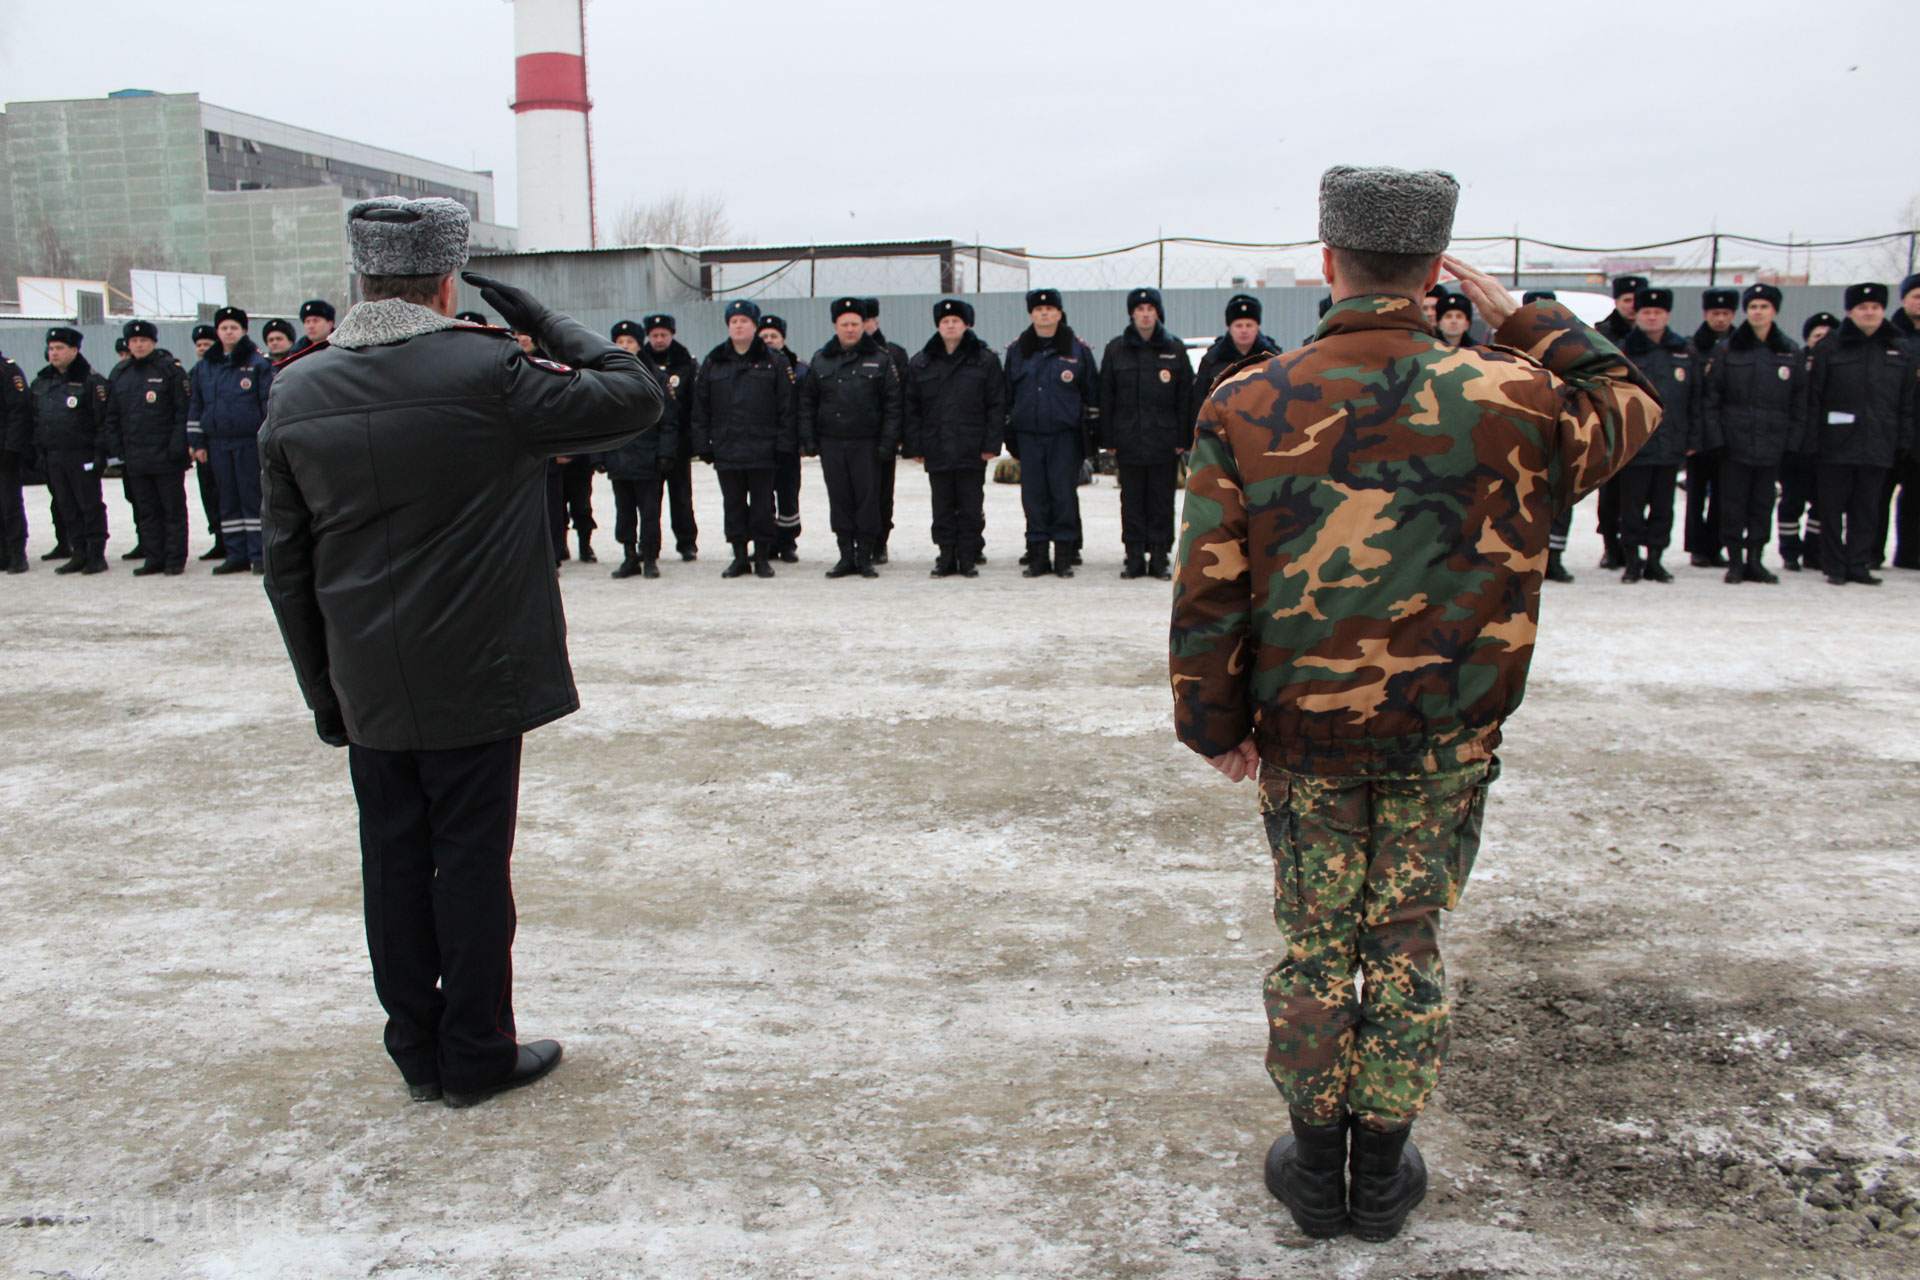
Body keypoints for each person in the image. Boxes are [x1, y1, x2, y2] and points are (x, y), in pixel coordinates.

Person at [1171, 164, 1660, 1245]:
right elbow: (1632, 400)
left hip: (1306, 734)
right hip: (1447, 734)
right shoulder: (1515, 392)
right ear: (1439, 268)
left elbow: (1210, 583)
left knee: (1314, 938)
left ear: (1326, 254)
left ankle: (1315, 1164)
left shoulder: (1248, 400)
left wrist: (1213, 723)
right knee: (1404, 937)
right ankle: (1381, 1173)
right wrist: (1518, 315)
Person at [259, 196, 663, 1110]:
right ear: (448, 279)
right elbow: (636, 393)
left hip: (368, 677)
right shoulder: (486, 370)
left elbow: (284, 566)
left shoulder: (296, 388)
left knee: (392, 863)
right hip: (477, 674)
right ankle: (475, 1049)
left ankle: (417, 1049)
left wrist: (325, 691)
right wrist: (538, 316)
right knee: (471, 863)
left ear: (361, 281)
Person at [1805, 282, 1914, 586]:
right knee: (1832, 508)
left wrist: (1902, 440)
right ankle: (1835, 566)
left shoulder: (1898, 347)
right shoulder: (1831, 346)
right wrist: (1811, 439)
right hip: (1835, 443)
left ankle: (1858, 564)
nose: (1869, 313)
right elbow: (1814, 396)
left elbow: (1906, 400)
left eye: (1875, 308)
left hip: (1879, 440)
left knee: (1868, 508)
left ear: (1883, 311)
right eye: (1862, 308)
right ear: (1850, 312)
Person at [1701, 284, 1802, 584]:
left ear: (1774, 311)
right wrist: (1716, 438)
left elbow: (1800, 401)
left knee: (1762, 504)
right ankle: (1734, 562)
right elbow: (1712, 399)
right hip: (1735, 443)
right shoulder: (1728, 349)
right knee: (1732, 504)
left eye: (1764, 307)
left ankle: (1755, 560)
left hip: (1772, 443)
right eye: (1754, 306)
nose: (1758, 312)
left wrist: (1793, 441)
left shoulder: (1788, 350)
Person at [692, 299, 796, 579]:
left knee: (763, 505)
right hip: (727, 447)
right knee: (733, 504)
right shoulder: (715, 360)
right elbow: (701, 406)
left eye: (744, 321)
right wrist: (703, 443)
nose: (738, 325)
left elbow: (786, 407)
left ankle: (762, 556)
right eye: (733, 321)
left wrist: (784, 445)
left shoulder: (774, 361)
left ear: (755, 326)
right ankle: (739, 556)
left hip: (763, 447)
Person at [801, 296, 903, 579]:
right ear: (835, 325)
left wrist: (888, 442)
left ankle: (866, 556)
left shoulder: (881, 359)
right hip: (832, 442)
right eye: (844, 324)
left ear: (864, 325)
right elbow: (808, 402)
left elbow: (893, 404)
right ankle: (845, 555)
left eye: (855, 324)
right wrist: (809, 440)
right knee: (840, 498)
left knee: (868, 500)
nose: (850, 329)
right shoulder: (821, 359)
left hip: (868, 443)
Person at [902, 297, 1004, 577]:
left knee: (971, 505)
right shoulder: (921, 362)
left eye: (955, 321)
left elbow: (996, 405)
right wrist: (914, 445)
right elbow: (911, 408)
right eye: (945, 322)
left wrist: (991, 445)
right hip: (936, 445)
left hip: (972, 446)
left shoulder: (985, 360)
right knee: (942, 504)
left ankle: (968, 556)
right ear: (938, 326)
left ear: (966, 325)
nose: (950, 326)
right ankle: (946, 554)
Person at [1100, 286, 1194, 580]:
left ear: (1158, 313)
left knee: (1161, 501)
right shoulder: (1116, 349)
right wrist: (1109, 439)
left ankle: (1160, 557)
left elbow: (1186, 399)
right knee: (1132, 501)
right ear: (1132, 314)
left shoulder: (1174, 349)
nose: (1145, 314)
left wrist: (1182, 439)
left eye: (1150, 309)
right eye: (1140, 310)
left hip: (1164, 442)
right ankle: (1134, 556)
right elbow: (1106, 398)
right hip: (1127, 441)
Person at [1004, 287, 1097, 578]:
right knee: (1034, 497)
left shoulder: (1077, 349)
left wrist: (1092, 439)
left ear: (1059, 313)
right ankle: (1038, 555)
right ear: (1031, 314)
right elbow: (1008, 396)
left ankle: (1064, 557)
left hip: (1065, 436)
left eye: (1049, 309)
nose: (1043, 313)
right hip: (1029, 435)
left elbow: (1091, 395)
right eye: (1038, 310)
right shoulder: (1017, 350)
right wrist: (1011, 436)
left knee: (1063, 495)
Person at [1616, 287, 1699, 583]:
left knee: (1664, 507)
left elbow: (1696, 399)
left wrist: (1692, 439)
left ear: (1667, 315)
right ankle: (1632, 562)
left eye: (1657, 313)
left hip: (1671, 442)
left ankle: (1655, 560)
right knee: (1632, 508)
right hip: (1635, 444)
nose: (1652, 317)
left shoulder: (1684, 351)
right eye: (1646, 312)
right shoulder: (1622, 351)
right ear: (1636, 314)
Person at [188, 305, 274, 574]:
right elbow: (196, 406)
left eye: (233, 327)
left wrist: (266, 440)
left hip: (247, 442)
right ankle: (235, 553)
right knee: (226, 498)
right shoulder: (205, 367)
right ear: (217, 331)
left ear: (244, 331)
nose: (228, 332)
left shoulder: (257, 364)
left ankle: (259, 554)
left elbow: (266, 406)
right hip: (217, 444)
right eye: (223, 328)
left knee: (252, 497)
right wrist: (196, 442)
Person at [103, 319, 192, 576]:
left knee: (172, 509)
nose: (139, 345)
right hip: (136, 456)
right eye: (134, 341)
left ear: (153, 342)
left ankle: (175, 558)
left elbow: (181, 411)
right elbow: (112, 416)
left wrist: (178, 446)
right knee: (147, 510)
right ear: (128, 344)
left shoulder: (169, 370)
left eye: (144, 341)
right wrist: (117, 449)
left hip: (165, 455)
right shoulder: (120, 373)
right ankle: (154, 557)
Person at [30, 326, 113, 575]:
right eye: (51, 348)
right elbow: (35, 419)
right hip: (54, 454)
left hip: (82, 454)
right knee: (66, 505)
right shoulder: (42, 381)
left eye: (60, 348)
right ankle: (78, 552)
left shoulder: (91, 382)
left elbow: (103, 422)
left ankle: (96, 554)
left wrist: (101, 454)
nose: (54, 353)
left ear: (74, 350)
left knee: (89, 505)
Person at [604, 320, 676, 579]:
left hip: (648, 458)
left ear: (639, 344)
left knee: (649, 512)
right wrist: (598, 455)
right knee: (623, 512)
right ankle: (629, 556)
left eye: (630, 342)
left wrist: (666, 453)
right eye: (619, 342)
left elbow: (668, 421)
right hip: (619, 457)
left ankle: (650, 557)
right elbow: (598, 419)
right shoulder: (605, 377)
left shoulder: (655, 377)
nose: (624, 346)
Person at [1520, 293, 1577, 584]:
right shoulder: (1509, 348)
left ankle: (1555, 559)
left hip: (1557, 433)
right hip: (1523, 434)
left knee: (1560, 500)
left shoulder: (1568, 350)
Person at [1592, 276, 1647, 570]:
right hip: (1611, 420)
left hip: (1641, 421)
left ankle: (1636, 547)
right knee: (1610, 493)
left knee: (1639, 494)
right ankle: (1610, 545)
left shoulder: (1652, 336)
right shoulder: (1602, 333)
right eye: (1627, 300)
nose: (1632, 307)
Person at [1778, 311, 1838, 571]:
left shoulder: (1840, 366)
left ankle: (1814, 550)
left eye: (1827, 336)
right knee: (1792, 500)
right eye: (1817, 336)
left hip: (1826, 446)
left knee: (1822, 503)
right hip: (1797, 447)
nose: (1822, 341)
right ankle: (1790, 550)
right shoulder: (1794, 362)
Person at [1683, 288, 1739, 566]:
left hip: (1726, 433)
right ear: (1706, 314)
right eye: (1715, 313)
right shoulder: (1693, 347)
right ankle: (1696, 546)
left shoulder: (1739, 346)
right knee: (1695, 495)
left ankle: (1716, 545)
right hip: (1699, 432)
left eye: (1725, 314)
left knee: (1722, 495)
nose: (1720, 318)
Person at [642, 314, 701, 562]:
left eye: (663, 335)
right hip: (649, 444)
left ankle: (686, 542)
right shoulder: (639, 361)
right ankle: (649, 546)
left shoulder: (685, 362)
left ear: (672, 335)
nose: (658, 339)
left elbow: (695, 402)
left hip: (679, 442)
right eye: (654, 335)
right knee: (649, 499)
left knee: (681, 498)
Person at [860, 298, 911, 564]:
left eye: (866, 321)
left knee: (881, 492)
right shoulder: (837, 354)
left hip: (883, 435)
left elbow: (903, 398)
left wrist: (900, 436)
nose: (861, 326)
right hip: (852, 436)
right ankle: (856, 543)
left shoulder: (894, 353)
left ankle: (880, 542)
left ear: (875, 322)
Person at [758, 314, 806, 562]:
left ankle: (787, 542)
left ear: (783, 339)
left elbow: (806, 406)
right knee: (763, 496)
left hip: (789, 443)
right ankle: (766, 542)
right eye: (764, 336)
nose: (768, 341)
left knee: (787, 494)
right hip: (760, 444)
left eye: (773, 336)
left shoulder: (799, 369)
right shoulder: (752, 365)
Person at [1881, 273, 1920, 569]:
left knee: (1915, 496)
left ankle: (1909, 555)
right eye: (1916, 296)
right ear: (1904, 300)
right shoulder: (1889, 334)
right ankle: (1870, 553)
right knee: (1878, 495)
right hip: (1889, 427)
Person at [185, 323, 226, 563]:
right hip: (205, 445)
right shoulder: (196, 372)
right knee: (209, 494)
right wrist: (195, 442)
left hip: (224, 442)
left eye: (207, 345)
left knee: (228, 495)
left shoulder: (222, 369)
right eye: (199, 346)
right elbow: (193, 410)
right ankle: (218, 538)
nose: (202, 349)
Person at [1193, 294, 1281, 406]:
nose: (1244, 330)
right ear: (1230, 328)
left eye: (1249, 325)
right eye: (1238, 326)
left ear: (1257, 328)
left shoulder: (1273, 359)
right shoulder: (1212, 361)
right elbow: (1199, 403)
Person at [1, 342, 30, 573]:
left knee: (9, 504)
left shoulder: (8, 371)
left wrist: (12, 448)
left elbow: (19, 412)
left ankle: (16, 553)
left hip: (4, 452)